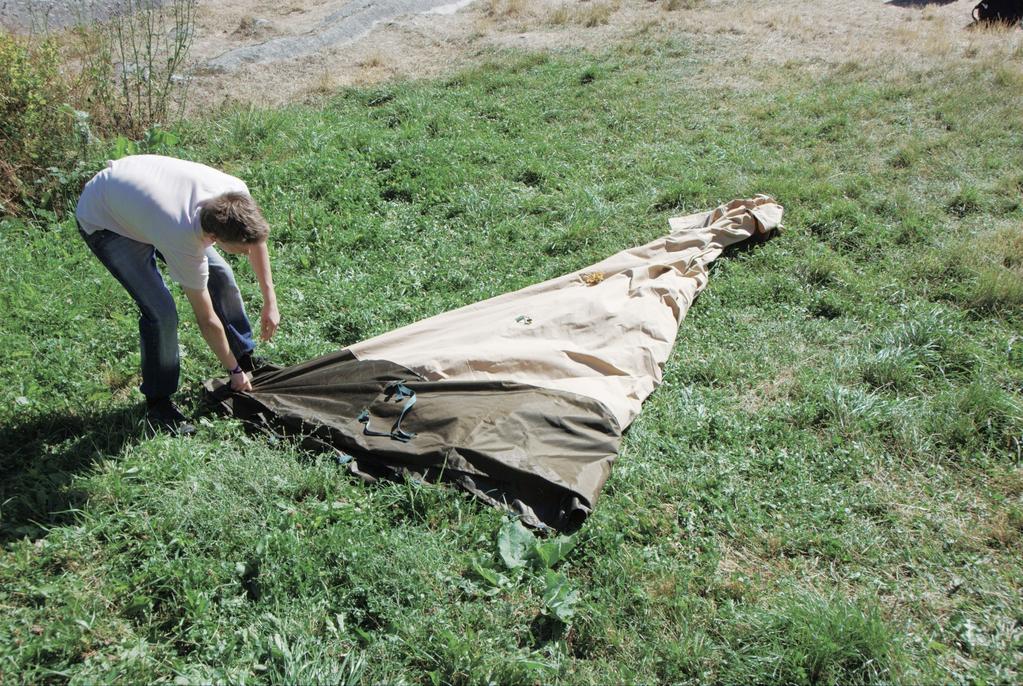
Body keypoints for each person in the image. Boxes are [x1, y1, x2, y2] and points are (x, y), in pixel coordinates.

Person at [76, 154, 280, 435]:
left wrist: (270, 300)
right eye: (241, 250)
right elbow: (206, 318)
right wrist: (231, 373)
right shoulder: (182, 234)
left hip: (144, 201)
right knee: (161, 313)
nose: (247, 254)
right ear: (213, 237)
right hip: (107, 220)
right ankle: (158, 402)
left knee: (222, 276)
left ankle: (244, 356)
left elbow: (255, 239)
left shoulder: (235, 191)